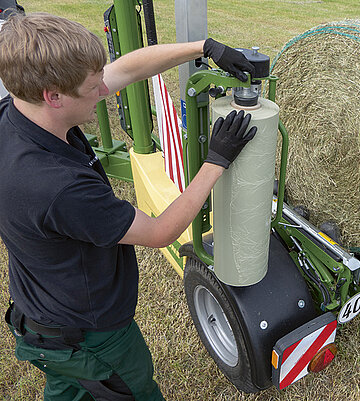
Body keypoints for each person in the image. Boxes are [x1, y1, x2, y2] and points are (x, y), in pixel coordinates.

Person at [0, 12, 257, 401]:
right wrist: (216, 161)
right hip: (91, 337)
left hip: (42, 318)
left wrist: (204, 47)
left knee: (68, 390)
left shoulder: (15, 110)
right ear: (53, 96)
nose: (106, 90)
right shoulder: (57, 187)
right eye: (94, 87)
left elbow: (126, 69)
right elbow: (159, 232)